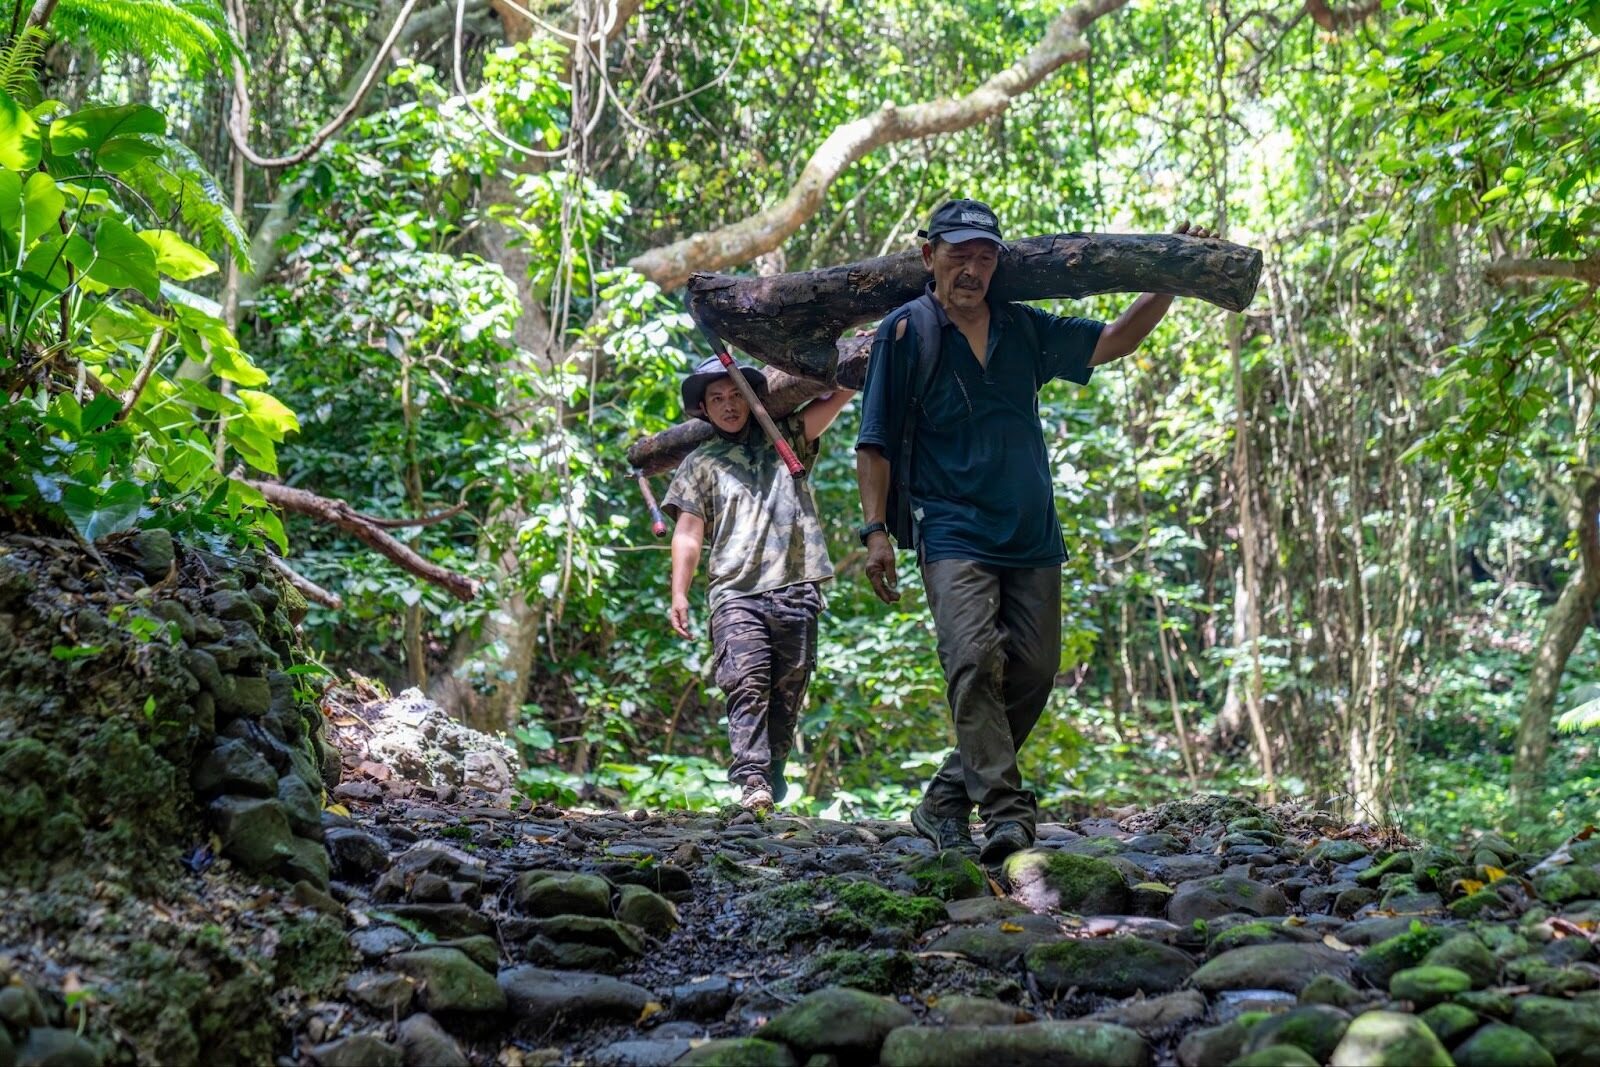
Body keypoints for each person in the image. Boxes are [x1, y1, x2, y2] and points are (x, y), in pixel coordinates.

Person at [854, 198, 1217, 862]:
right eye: (958, 255)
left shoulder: (1023, 328)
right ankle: (1007, 814)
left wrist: (1170, 278)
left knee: (1036, 670)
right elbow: (873, 440)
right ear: (929, 255)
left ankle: (944, 798)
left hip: (1030, 531)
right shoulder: (905, 333)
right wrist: (875, 530)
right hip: (951, 526)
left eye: (984, 257)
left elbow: (1116, 340)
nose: (972, 269)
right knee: (972, 660)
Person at [664, 357, 855, 812]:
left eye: (736, 395)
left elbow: (836, 398)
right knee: (746, 682)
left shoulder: (785, 438)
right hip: (735, 593)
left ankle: (770, 771)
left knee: (787, 690)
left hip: (796, 586)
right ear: (704, 408)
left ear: (751, 399)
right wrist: (679, 593)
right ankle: (752, 778)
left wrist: (861, 361)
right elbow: (688, 531)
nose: (728, 405)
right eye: (717, 398)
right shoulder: (699, 463)